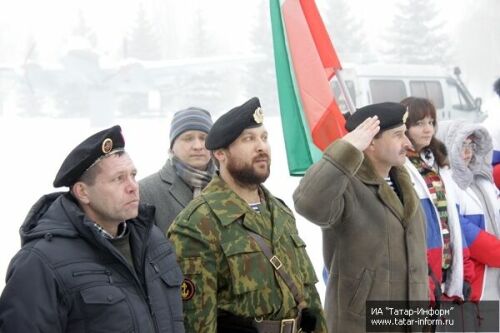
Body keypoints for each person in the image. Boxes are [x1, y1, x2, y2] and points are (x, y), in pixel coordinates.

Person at [0, 125, 185, 333]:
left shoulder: (152, 239)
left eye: (133, 175)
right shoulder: (40, 262)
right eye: (118, 179)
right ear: (83, 192)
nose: (133, 186)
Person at [168, 97, 327, 333]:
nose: (261, 147)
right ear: (220, 154)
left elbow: (309, 295)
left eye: (264, 138)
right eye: (248, 139)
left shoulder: (280, 212)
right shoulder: (198, 223)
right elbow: (197, 322)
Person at [293, 102, 429, 332]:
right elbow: (308, 203)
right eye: (398, 135)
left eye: (405, 134)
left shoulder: (405, 185)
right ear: (371, 142)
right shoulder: (345, 185)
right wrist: (346, 149)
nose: (407, 143)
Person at [436, 120, 500, 331]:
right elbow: (459, 227)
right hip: (473, 281)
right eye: (461, 146)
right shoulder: (446, 183)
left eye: (472, 146)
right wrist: (495, 251)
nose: (467, 153)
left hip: (494, 279)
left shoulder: (483, 180)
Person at [140, 107, 215, 233]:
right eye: (188, 138)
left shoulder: (228, 184)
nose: (198, 146)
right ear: (172, 147)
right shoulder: (146, 191)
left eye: (203, 138)